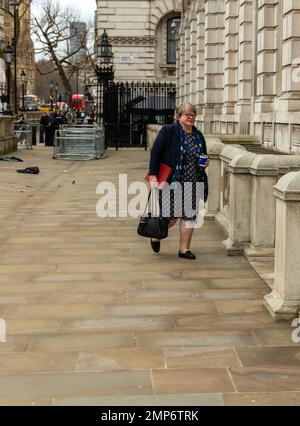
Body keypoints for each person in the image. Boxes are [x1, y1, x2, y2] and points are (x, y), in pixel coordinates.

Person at [148, 102, 209, 260]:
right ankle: (156, 235)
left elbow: (203, 155)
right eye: (187, 114)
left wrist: (205, 162)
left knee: (189, 216)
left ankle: (184, 249)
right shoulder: (169, 131)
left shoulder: (198, 135)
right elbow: (156, 152)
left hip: (193, 181)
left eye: (193, 115)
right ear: (179, 116)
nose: (190, 117)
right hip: (173, 181)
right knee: (172, 217)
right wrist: (153, 174)